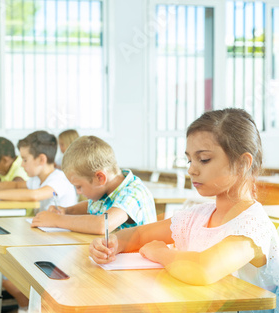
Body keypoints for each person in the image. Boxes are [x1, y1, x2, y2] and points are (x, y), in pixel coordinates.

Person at [90, 108, 279, 312]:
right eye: (190, 160)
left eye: (204, 159)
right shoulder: (198, 215)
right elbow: (139, 234)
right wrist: (111, 244)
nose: (191, 169)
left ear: (242, 164)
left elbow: (203, 269)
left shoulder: (253, 225)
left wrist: (161, 253)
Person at [0, 130, 77, 311]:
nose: (22, 164)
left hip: (59, 249)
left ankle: (34, 304)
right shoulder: (37, 178)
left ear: (41, 159)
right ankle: (29, 304)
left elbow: (34, 195)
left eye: (25, 159)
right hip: (40, 242)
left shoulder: (58, 179)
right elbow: (16, 184)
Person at [31, 135, 156, 234]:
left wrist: (56, 220)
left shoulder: (133, 193)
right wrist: (67, 211)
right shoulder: (105, 191)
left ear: (100, 178)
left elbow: (102, 225)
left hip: (138, 262)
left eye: (79, 186)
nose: (78, 192)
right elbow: (92, 205)